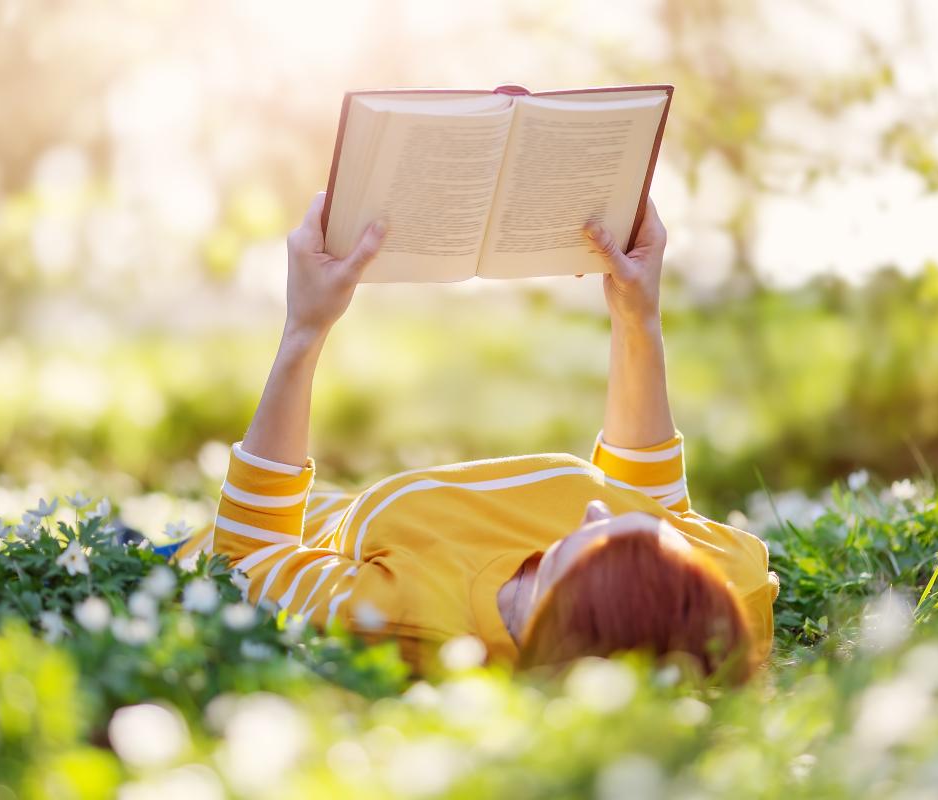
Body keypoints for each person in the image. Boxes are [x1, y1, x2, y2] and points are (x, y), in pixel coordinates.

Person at [170, 192, 779, 679]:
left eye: (593, 540)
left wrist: (304, 327)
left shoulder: (409, 619)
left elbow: (244, 562)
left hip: (191, 545)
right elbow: (651, 502)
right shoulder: (724, 593)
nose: (598, 507)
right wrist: (635, 312)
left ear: (560, 609)